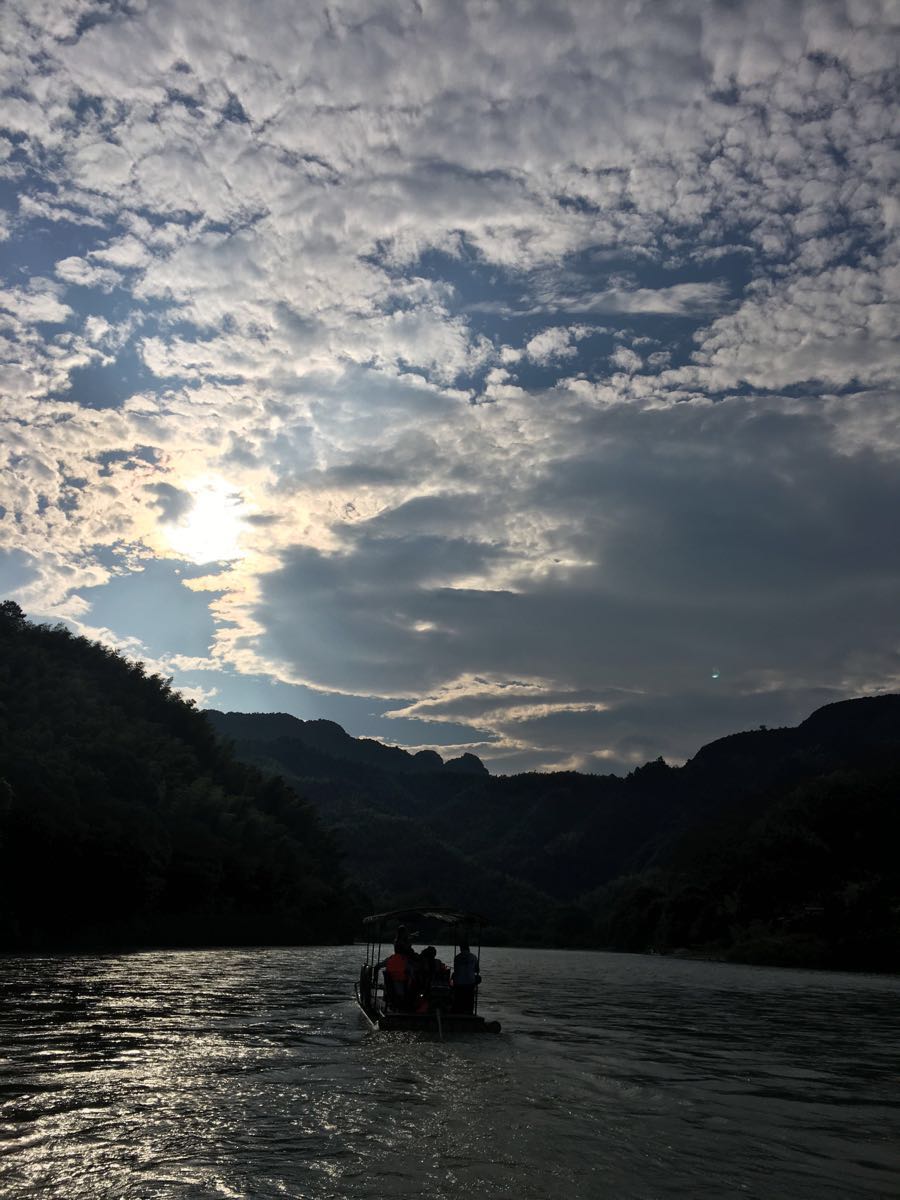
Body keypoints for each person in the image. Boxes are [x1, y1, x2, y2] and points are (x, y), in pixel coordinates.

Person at [451, 939, 480, 1014]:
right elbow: (477, 970)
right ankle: (469, 1011)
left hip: (459, 983)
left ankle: (457, 1009)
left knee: (458, 998)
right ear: (468, 948)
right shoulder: (473, 957)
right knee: (470, 999)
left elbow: (456, 970)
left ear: (461, 948)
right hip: (470, 983)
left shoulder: (457, 957)